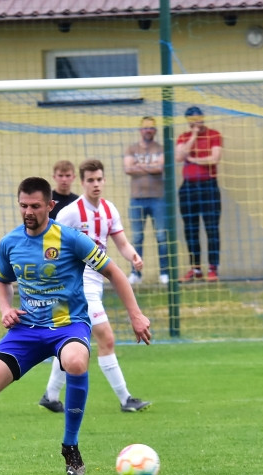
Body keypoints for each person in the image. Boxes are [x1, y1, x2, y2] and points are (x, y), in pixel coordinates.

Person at [0, 176, 151, 475]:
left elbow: (113, 272)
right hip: (28, 327)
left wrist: (136, 315)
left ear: (50, 205)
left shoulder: (71, 238)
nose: (28, 211)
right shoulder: (10, 243)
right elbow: (1, 281)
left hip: (66, 322)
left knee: (75, 361)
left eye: (35, 206)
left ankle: (70, 446)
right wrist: (6, 309)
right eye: (23, 205)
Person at [39, 158, 152, 414]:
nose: (96, 184)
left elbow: (121, 242)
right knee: (106, 339)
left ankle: (50, 395)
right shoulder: (70, 213)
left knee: (70, 342)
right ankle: (126, 399)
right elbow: (49, 245)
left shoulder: (109, 209)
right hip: (75, 287)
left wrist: (132, 255)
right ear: (83, 182)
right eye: (90, 180)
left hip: (94, 284)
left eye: (99, 179)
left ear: (104, 180)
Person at [175, 106, 223, 283]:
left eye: (200, 118)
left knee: (211, 228)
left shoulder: (214, 134)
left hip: (209, 186)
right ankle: (195, 269)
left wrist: (194, 159)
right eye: (193, 119)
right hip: (188, 188)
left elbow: (214, 159)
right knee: (191, 229)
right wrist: (194, 136)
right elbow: (179, 156)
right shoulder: (184, 137)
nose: (197, 121)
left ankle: (212, 269)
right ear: (188, 121)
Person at [124, 116, 168, 285]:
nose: (148, 131)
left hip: (158, 199)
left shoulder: (161, 148)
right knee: (137, 238)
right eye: (145, 128)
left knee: (162, 236)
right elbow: (128, 168)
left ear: (155, 130)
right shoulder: (132, 148)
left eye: (151, 128)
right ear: (140, 130)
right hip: (137, 200)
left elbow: (160, 168)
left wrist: (139, 166)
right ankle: (136, 273)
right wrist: (150, 168)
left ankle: (164, 273)